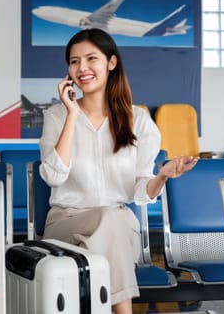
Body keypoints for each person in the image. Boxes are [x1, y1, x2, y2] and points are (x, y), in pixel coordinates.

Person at [38, 28, 198, 314]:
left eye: (90, 59)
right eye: (74, 61)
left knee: (111, 220)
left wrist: (161, 176)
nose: (81, 68)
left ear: (111, 63)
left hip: (120, 227)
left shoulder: (139, 122)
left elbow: (139, 193)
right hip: (67, 223)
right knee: (109, 225)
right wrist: (72, 115)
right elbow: (53, 177)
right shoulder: (57, 116)